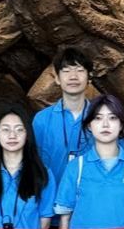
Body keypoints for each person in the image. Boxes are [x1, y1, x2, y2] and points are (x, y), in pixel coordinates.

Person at [54, 94, 124, 229]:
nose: (105, 124)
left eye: (112, 118)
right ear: (89, 125)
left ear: (121, 125)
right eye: (98, 118)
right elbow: (65, 219)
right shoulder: (76, 167)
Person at [0, 104, 55, 229]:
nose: (12, 135)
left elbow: (44, 221)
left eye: (19, 129)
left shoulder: (42, 173)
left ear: (27, 134)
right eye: (5, 129)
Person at [31, 48, 95, 185]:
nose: (73, 77)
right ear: (57, 78)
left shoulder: (100, 118)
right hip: (51, 194)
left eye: (80, 70)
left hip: (90, 196)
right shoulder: (42, 120)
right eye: (66, 71)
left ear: (90, 77)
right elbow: (34, 164)